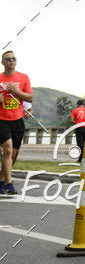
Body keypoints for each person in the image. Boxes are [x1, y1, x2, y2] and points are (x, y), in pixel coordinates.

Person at [0, 50, 33, 195]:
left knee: (13, 153)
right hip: (2, 119)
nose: (11, 61)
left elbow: (30, 98)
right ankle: (9, 184)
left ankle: (1, 179)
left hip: (17, 120)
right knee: (7, 149)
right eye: (8, 59)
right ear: (3, 62)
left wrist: (17, 91)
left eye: (13, 58)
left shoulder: (23, 77)